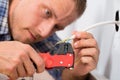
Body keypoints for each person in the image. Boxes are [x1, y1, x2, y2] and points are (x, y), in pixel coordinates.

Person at [0, 0, 99, 80]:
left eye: (57, 27)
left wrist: (77, 73)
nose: (44, 32)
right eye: (47, 13)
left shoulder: (45, 39)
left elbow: (61, 73)